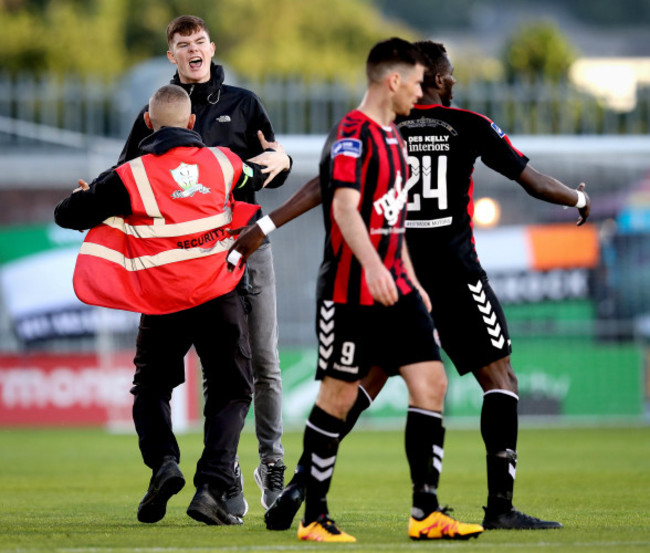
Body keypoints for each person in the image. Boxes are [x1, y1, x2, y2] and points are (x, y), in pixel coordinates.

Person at [227, 41, 591, 531]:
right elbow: (533, 182)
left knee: (372, 383)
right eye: (449, 75)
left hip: (396, 274)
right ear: (436, 79)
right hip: (446, 273)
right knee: (499, 379)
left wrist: (266, 227)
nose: (452, 81)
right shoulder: (463, 124)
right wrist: (579, 201)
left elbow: (323, 185)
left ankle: (304, 487)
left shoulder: (388, 129)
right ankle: (498, 507)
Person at [242, 37, 484, 543]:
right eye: (417, 83)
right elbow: (345, 207)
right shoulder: (353, 133)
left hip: (397, 286)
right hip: (350, 291)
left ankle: (426, 512)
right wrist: (373, 266)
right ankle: (315, 516)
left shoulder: (395, 139)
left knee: (431, 383)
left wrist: (414, 283)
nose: (422, 93)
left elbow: (394, 222)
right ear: (393, 80)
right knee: (337, 394)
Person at [54, 84, 277, 526]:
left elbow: (66, 215)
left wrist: (88, 198)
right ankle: (212, 487)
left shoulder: (128, 176)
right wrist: (278, 157)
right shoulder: (222, 162)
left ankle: (163, 464)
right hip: (218, 295)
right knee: (232, 389)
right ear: (194, 124)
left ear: (149, 124)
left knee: (152, 388)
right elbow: (257, 176)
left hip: (161, 301)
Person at [117, 15, 292, 515]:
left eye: (199, 42)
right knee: (223, 368)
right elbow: (126, 176)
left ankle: (272, 467)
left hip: (248, 243)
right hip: (187, 260)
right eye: (181, 45)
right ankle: (222, 478)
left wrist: (283, 165)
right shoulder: (157, 111)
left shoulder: (244, 103)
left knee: (264, 363)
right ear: (170, 56)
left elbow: (273, 163)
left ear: (211, 48)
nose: (192, 50)